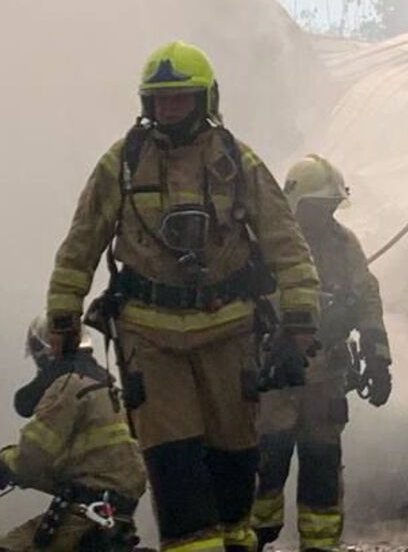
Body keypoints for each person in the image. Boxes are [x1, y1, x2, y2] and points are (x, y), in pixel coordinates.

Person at [45, 40, 322, 552]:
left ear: (205, 98)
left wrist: (300, 320)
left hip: (229, 334)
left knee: (234, 468)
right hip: (150, 339)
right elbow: (79, 246)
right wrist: (62, 322)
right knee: (175, 471)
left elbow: (286, 243)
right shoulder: (123, 163)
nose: (169, 108)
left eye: (180, 97)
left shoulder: (237, 161)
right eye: (160, 99)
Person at [250, 155, 391, 552]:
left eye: (330, 206)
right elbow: (252, 298)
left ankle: (320, 543)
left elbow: (367, 295)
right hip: (275, 373)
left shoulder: (344, 243)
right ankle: (254, 536)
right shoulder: (268, 240)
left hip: (326, 374)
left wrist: (378, 357)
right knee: (268, 457)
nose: (324, 214)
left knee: (323, 459)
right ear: (294, 203)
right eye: (316, 206)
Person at [0, 315, 147, 552]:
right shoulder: (112, 393)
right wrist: (7, 472)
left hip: (82, 519)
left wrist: (4, 460)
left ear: (44, 353)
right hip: (115, 519)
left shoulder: (68, 387)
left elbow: (31, 460)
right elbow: (82, 474)